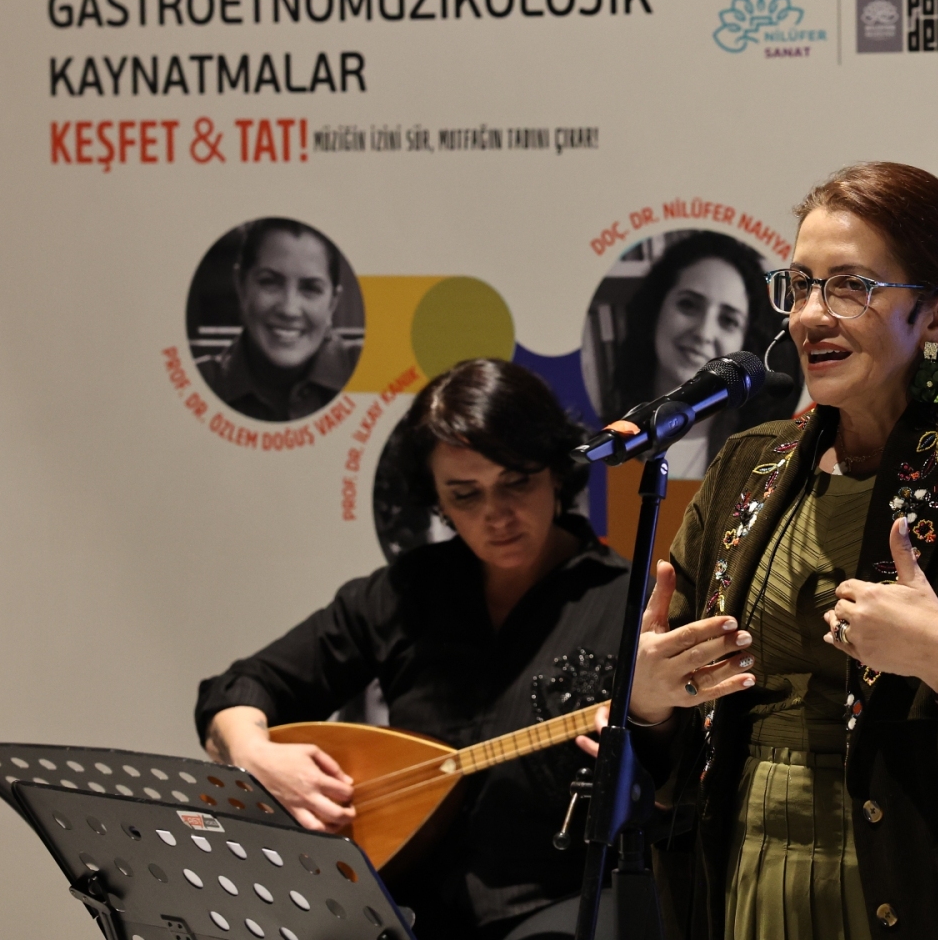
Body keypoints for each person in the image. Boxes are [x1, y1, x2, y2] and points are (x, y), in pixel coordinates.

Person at [602, 161, 938, 940]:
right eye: (800, 285)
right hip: (742, 887)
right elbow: (666, 750)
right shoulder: (746, 467)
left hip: (933, 903)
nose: (809, 316)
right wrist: (649, 700)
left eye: (851, 288)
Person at [195, 358, 629, 940]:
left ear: (555, 471)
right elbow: (242, 688)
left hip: (565, 911)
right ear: (438, 501)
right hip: (402, 911)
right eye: (465, 495)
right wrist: (254, 755)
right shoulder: (407, 593)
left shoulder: (624, 604)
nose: (496, 516)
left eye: (516, 482)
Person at [602, 231, 794, 478]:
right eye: (688, 305)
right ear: (655, 309)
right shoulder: (603, 437)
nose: (704, 333)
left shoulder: (762, 457)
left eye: (728, 320)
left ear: (747, 343)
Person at [198, 217, 361, 421]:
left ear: (332, 303)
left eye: (310, 288)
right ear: (241, 286)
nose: (289, 309)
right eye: (269, 282)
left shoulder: (376, 375)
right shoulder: (198, 386)